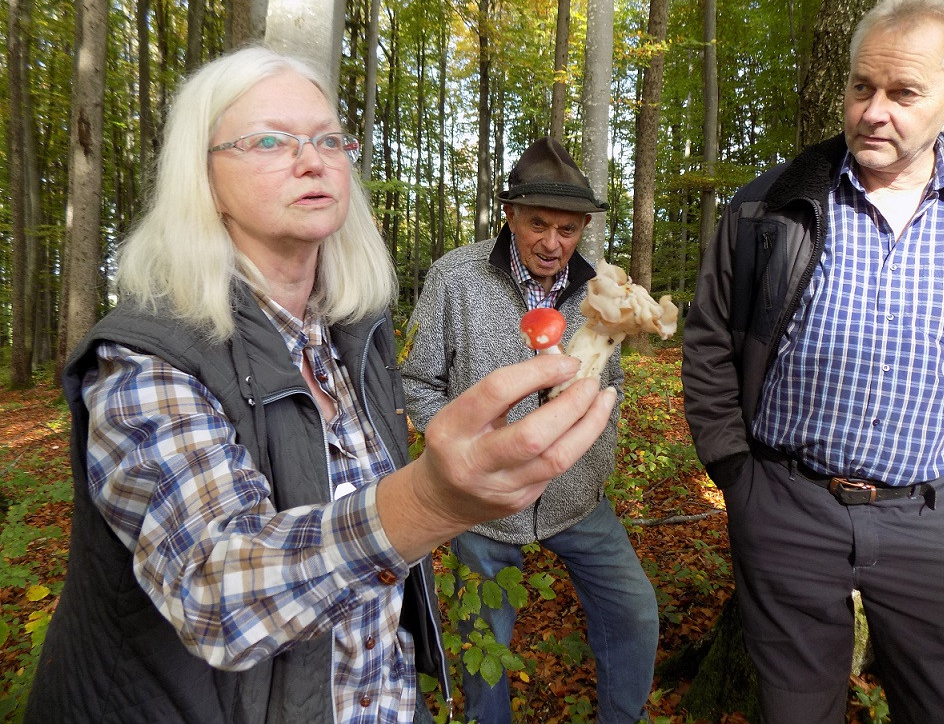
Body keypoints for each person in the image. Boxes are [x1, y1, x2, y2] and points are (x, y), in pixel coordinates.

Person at [26, 48, 617, 724]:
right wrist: (431, 499)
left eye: (330, 139)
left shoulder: (353, 333)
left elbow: (373, 606)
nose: (312, 159)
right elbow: (215, 591)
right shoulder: (143, 356)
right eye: (270, 140)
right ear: (202, 176)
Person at [682, 0, 944, 724]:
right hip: (786, 507)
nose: (874, 111)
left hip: (939, 518)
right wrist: (737, 476)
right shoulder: (765, 206)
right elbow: (709, 339)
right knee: (795, 711)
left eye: (903, 91)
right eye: (861, 86)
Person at [402, 137, 659, 724]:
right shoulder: (455, 279)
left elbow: (610, 380)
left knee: (635, 613)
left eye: (568, 230)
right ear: (510, 215)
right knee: (481, 640)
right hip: (482, 503)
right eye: (538, 223)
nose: (552, 242)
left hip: (575, 498)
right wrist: (460, 459)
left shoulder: (600, 294)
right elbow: (415, 379)